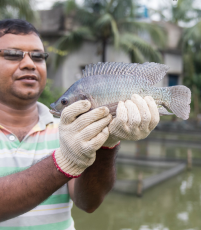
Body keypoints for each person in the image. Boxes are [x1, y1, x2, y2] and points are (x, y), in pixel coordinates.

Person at [0, 19, 159, 229]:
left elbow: (88, 202)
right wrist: (64, 161)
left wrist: (106, 144)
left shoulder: (70, 128)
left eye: (38, 56)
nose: (30, 63)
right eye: (13, 54)